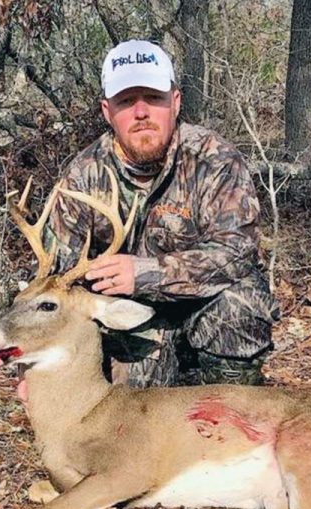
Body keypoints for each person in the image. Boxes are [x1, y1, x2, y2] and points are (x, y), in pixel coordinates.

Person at [46, 39, 278, 388]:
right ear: (107, 111)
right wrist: (32, 367)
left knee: (239, 302)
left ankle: (230, 416)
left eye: (153, 99)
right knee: (134, 418)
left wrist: (147, 273)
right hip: (132, 321)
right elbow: (55, 283)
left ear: (176, 102)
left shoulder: (215, 160)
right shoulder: (82, 176)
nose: (141, 113)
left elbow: (237, 255)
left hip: (204, 309)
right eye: (127, 101)